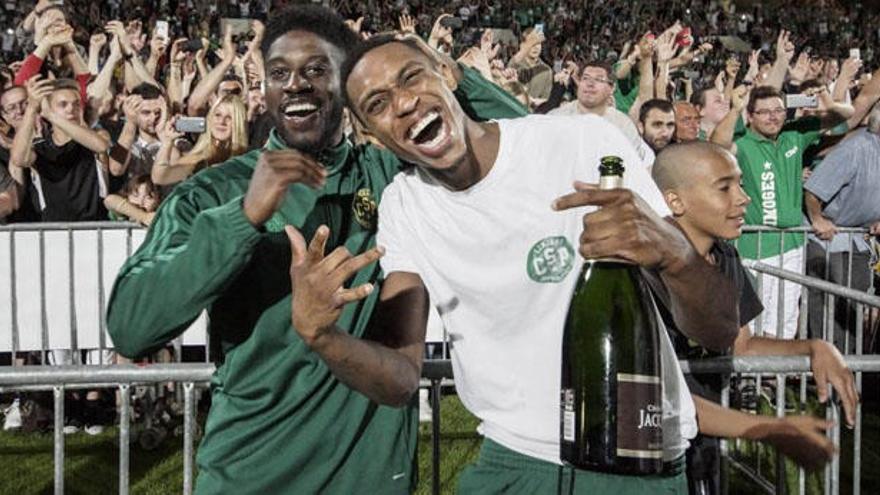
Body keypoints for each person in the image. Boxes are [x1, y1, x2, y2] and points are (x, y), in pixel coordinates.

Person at [341, 34, 833, 494]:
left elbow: (718, 329)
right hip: (513, 461)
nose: (402, 103)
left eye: (411, 78)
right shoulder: (404, 205)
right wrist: (321, 335)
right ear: (371, 135)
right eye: (377, 105)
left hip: (634, 461)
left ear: (446, 75)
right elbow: (402, 377)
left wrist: (674, 252)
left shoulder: (580, 143)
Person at [106, 5, 525, 494]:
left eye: (317, 69)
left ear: (348, 87)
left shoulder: (392, 177)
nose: (297, 84)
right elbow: (131, 328)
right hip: (250, 474)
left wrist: (449, 75)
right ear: (264, 88)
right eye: (279, 72)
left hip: (368, 479)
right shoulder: (213, 193)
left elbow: (518, 150)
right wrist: (243, 218)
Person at [651, 142, 857, 495]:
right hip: (654, 456)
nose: (744, 198)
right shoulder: (647, 269)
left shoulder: (726, 255)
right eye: (724, 187)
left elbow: (741, 344)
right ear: (675, 201)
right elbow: (661, 395)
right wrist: (765, 428)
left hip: (706, 447)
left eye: (741, 184)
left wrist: (814, 347)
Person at [712, 85, 853, 339]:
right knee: (755, 317)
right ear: (751, 116)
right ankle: (751, 375)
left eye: (778, 110)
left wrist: (824, 98)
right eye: (765, 112)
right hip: (755, 245)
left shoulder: (794, 135)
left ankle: (774, 376)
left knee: (786, 315)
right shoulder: (743, 143)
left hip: (792, 243)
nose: (773, 117)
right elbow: (717, 145)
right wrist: (735, 110)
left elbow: (845, 114)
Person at [804, 105, 880, 347]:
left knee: (858, 303)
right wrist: (818, 219)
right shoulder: (855, 149)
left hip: (861, 238)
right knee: (831, 303)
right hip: (829, 237)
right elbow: (814, 189)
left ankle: (856, 368)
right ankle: (830, 363)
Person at [9, 76, 111, 221]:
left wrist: (51, 116)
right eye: (63, 104)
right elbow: (19, 159)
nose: (71, 109)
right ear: (48, 107)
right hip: (53, 230)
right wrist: (32, 107)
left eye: (76, 104)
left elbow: (101, 146)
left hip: (95, 226)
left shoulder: (96, 137)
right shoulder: (39, 147)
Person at [550, 60, 654, 167]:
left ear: (612, 88)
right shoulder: (557, 118)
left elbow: (633, 164)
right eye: (585, 78)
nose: (590, 84)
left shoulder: (623, 124)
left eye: (599, 79)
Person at [151, 95, 248, 187]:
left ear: (238, 123)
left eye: (229, 117)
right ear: (210, 118)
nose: (221, 122)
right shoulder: (199, 158)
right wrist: (167, 141)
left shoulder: (247, 159)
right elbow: (160, 178)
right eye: (218, 115)